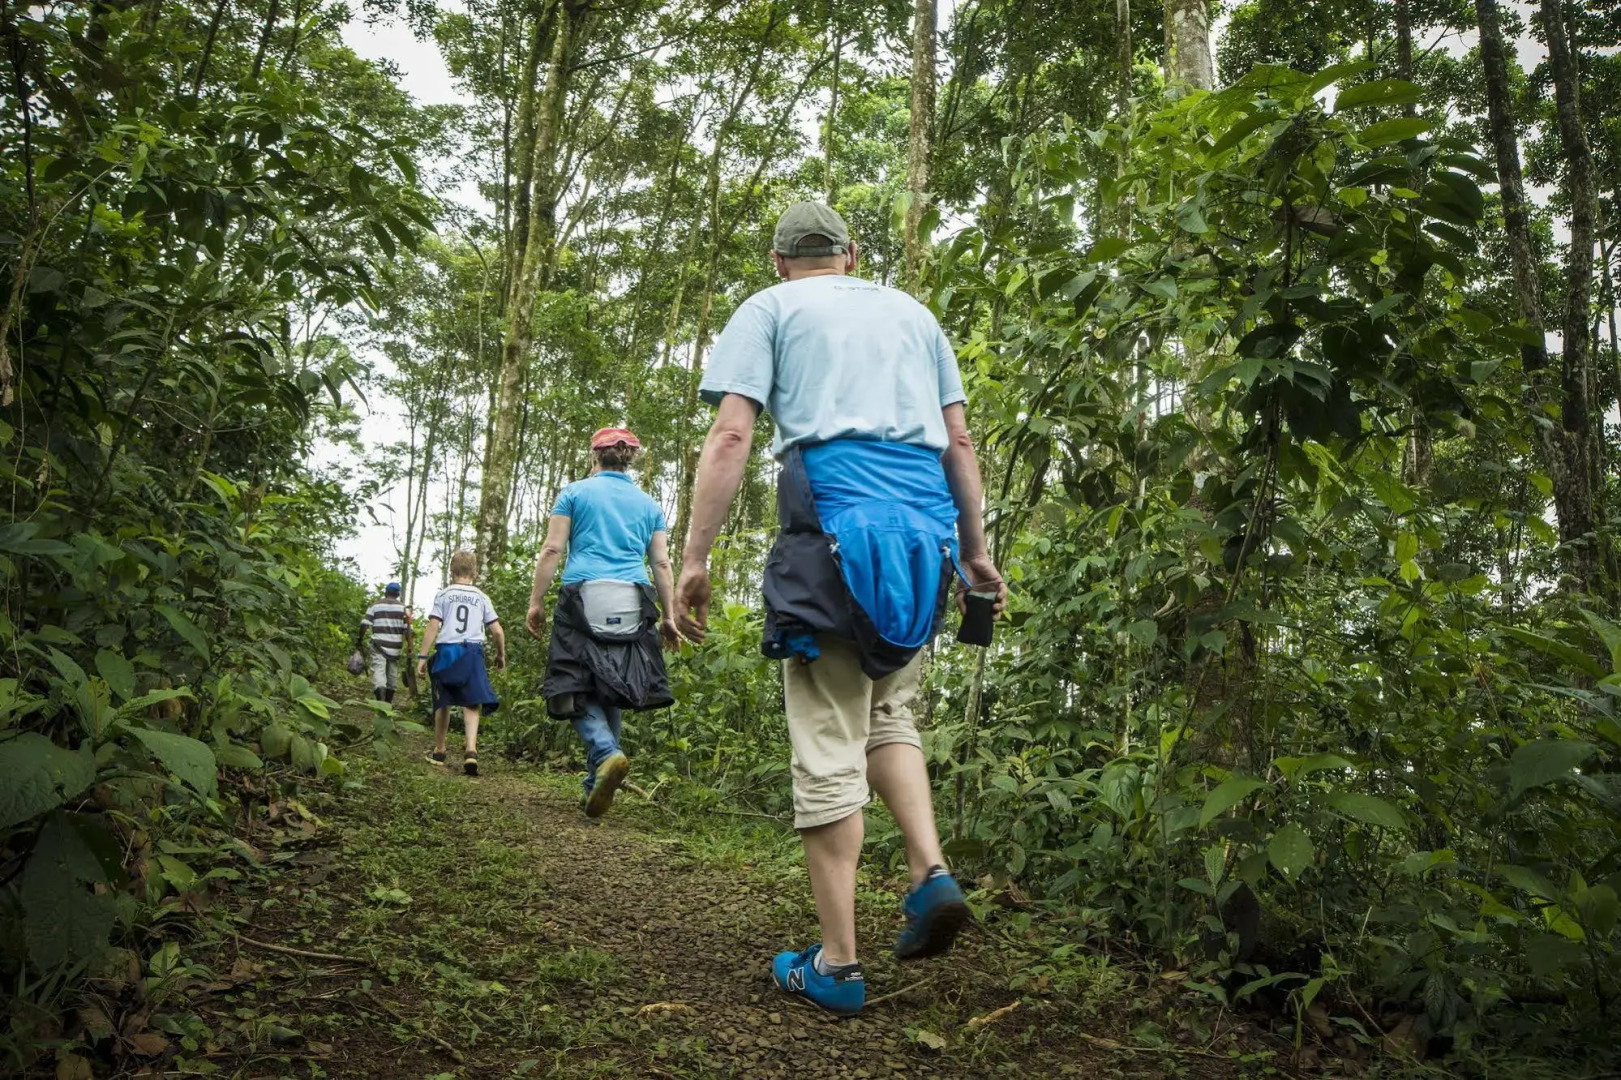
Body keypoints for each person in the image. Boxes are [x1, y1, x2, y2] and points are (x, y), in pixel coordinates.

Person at [674, 202, 1007, 1016]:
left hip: (831, 518)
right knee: (889, 712)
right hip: (922, 531)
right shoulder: (913, 313)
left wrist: (693, 557)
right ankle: (929, 871)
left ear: (780, 260)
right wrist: (972, 552)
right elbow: (958, 441)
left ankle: (837, 963)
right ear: (850, 255)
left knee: (827, 733)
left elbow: (730, 435)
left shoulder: (770, 307)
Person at [526, 427, 680, 818]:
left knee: (568, 683)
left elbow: (552, 548)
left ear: (595, 456)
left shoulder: (574, 494)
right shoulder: (648, 504)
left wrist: (536, 603)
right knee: (613, 684)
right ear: (631, 459)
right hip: (635, 595)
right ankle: (595, 782)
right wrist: (669, 616)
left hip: (583, 595)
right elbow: (661, 562)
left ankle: (607, 752)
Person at [416, 550, 506, 776]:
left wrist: (422, 657)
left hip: (447, 651)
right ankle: (471, 750)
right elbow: (497, 631)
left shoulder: (444, 595)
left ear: (451, 572)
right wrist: (500, 655)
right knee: (471, 702)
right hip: (472, 651)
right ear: (474, 572)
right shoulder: (481, 597)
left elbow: (433, 627)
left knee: (442, 701)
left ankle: (439, 750)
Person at [357, 582, 412, 704]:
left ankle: (380, 702)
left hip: (378, 644)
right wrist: (409, 646)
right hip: (395, 647)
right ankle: (388, 704)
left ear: (385, 593)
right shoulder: (403, 609)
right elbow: (408, 630)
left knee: (379, 672)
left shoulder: (375, 606)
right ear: (398, 594)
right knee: (392, 675)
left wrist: (359, 639)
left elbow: (364, 624)